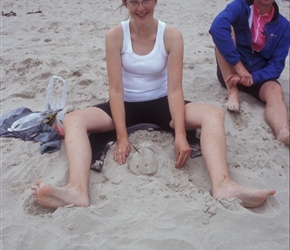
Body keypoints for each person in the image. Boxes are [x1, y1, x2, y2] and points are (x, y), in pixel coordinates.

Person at [31, 0, 275, 209]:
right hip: (124, 104)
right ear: (125, 3)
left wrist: (180, 134)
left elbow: (175, 89)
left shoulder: (171, 35)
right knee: (73, 119)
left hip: (162, 103)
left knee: (213, 114)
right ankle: (76, 190)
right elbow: (115, 90)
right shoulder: (115, 35)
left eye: (145, 0)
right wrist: (122, 137)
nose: (140, 8)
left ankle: (224, 185)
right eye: (133, 2)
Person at [209, 0, 290, 145]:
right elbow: (216, 28)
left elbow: (276, 66)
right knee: (224, 31)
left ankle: (283, 132)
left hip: (257, 78)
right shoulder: (239, 6)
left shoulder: (283, 25)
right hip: (230, 71)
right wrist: (238, 67)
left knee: (275, 89)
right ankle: (233, 93)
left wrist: (253, 77)